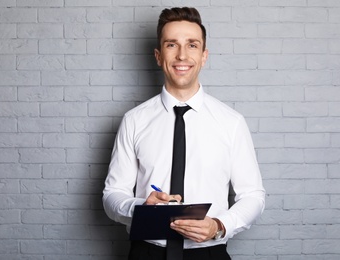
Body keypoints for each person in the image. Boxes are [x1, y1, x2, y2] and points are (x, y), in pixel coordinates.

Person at [102, 7, 265, 260]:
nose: (181, 55)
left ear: (204, 56)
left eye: (192, 45)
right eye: (171, 45)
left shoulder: (231, 122)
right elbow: (112, 195)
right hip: (147, 254)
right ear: (158, 55)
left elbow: (253, 196)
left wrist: (219, 226)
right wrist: (140, 208)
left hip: (208, 253)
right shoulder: (134, 121)